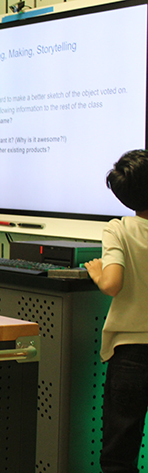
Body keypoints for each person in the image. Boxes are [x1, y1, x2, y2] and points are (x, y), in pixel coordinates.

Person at [84, 149, 148, 473]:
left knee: (119, 455)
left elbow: (112, 283)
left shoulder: (119, 229)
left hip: (131, 355)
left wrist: (96, 271)